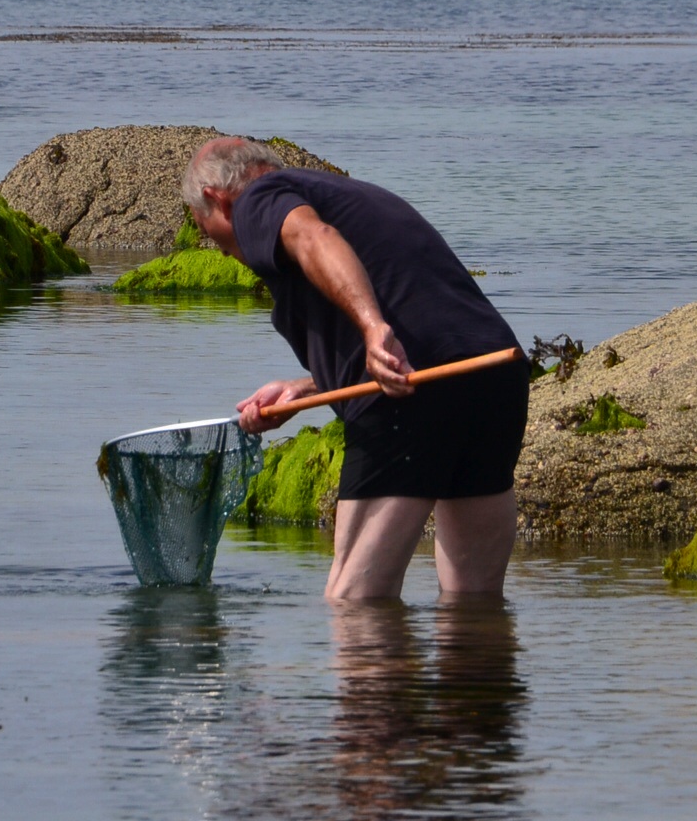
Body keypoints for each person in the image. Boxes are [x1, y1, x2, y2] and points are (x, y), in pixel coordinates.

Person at [182, 136, 527, 600]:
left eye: (209, 234)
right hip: (493, 376)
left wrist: (372, 328)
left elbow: (314, 238)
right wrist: (304, 390)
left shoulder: (257, 201)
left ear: (215, 198)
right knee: (474, 602)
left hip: (410, 396)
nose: (221, 251)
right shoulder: (350, 196)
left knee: (354, 602)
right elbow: (419, 319)